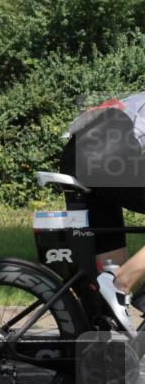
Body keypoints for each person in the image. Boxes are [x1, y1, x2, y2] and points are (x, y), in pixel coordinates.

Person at [61, 92, 145, 335]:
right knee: (116, 282)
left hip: (79, 156)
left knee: (110, 261)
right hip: (103, 154)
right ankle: (122, 284)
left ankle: (107, 333)